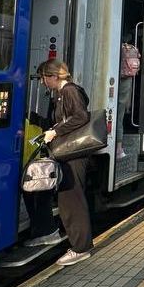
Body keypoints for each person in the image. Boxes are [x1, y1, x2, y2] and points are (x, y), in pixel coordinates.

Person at [35, 59, 94, 266]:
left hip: (73, 155)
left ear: (53, 76)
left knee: (72, 200)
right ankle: (80, 245)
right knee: (70, 199)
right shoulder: (65, 92)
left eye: (43, 78)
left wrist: (56, 131)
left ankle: (80, 248)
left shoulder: (69, 91)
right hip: (70, 154)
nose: (43, 83)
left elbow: (81, 117)